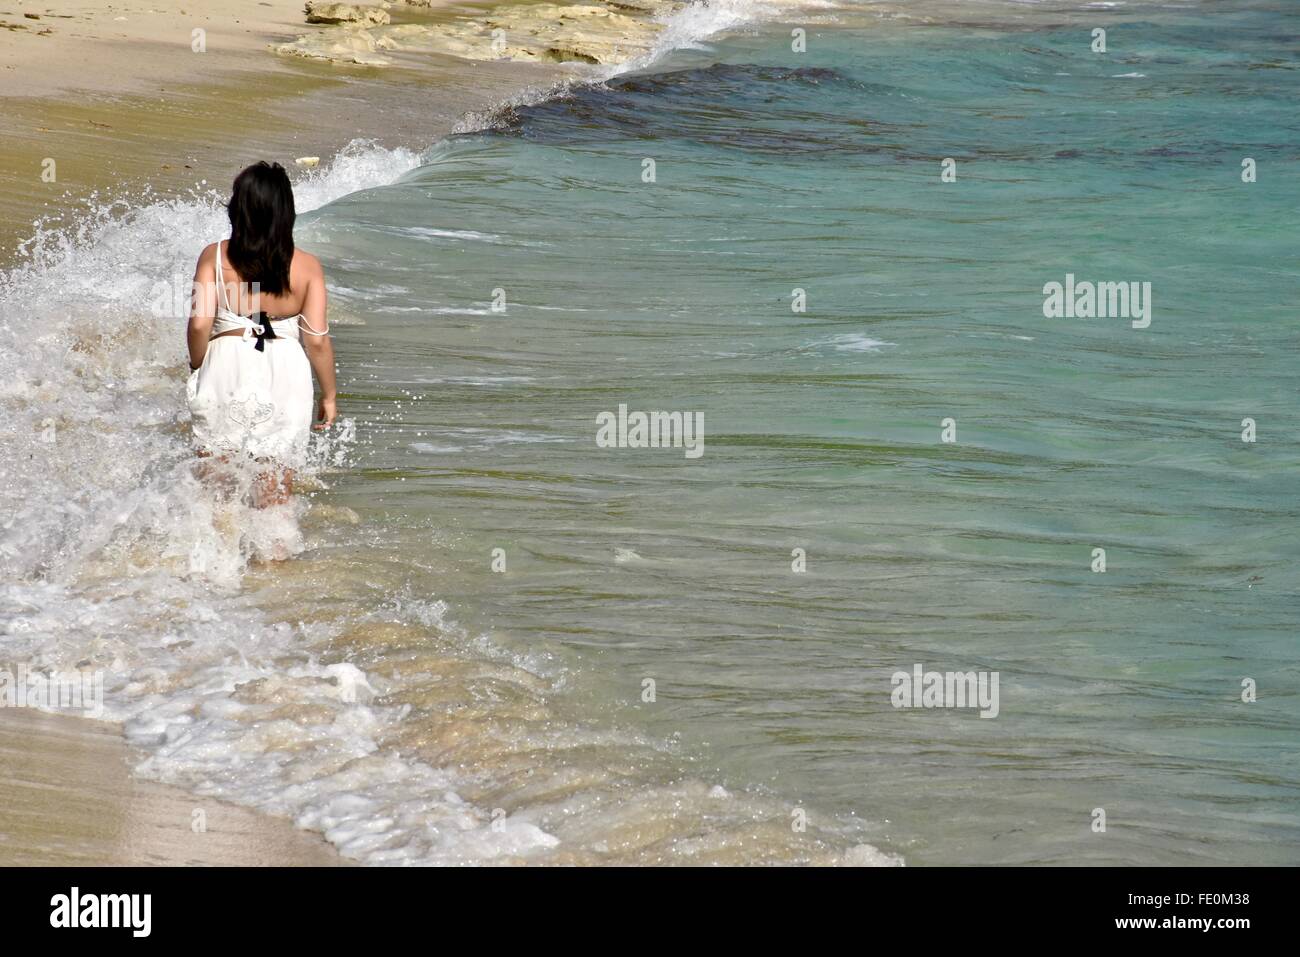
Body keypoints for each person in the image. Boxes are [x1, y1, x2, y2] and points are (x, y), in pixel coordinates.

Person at [186, 161, 337, 507]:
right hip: (285, 369)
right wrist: (329, 395)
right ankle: (275, 558)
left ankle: (211, 556)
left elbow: (199, 325)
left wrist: (198, 365)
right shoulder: (309, 266)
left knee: (214, 488)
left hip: (226, 362)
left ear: (238, 209)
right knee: (276, 489)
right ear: (287, 213)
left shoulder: (215, 255)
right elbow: (315, 340)